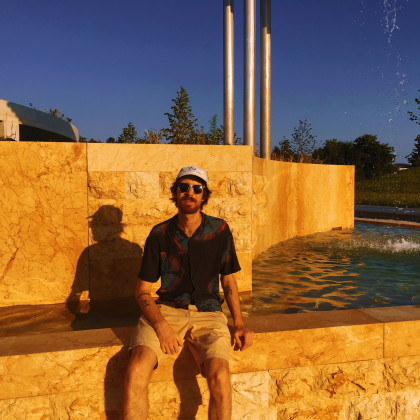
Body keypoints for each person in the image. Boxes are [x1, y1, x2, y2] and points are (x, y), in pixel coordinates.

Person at [124, 166, 254, 419]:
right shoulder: (160, 234)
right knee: (136, 369)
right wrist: (161, 325)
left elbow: (228, 280)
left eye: (197, 188)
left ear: (204, 195)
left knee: (220, 376)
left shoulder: (219, 230)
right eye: (183, 187)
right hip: (167, 310)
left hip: (209, 314)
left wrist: (239, 323)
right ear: (175, 193)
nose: (190, 192)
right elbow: (142, 290)